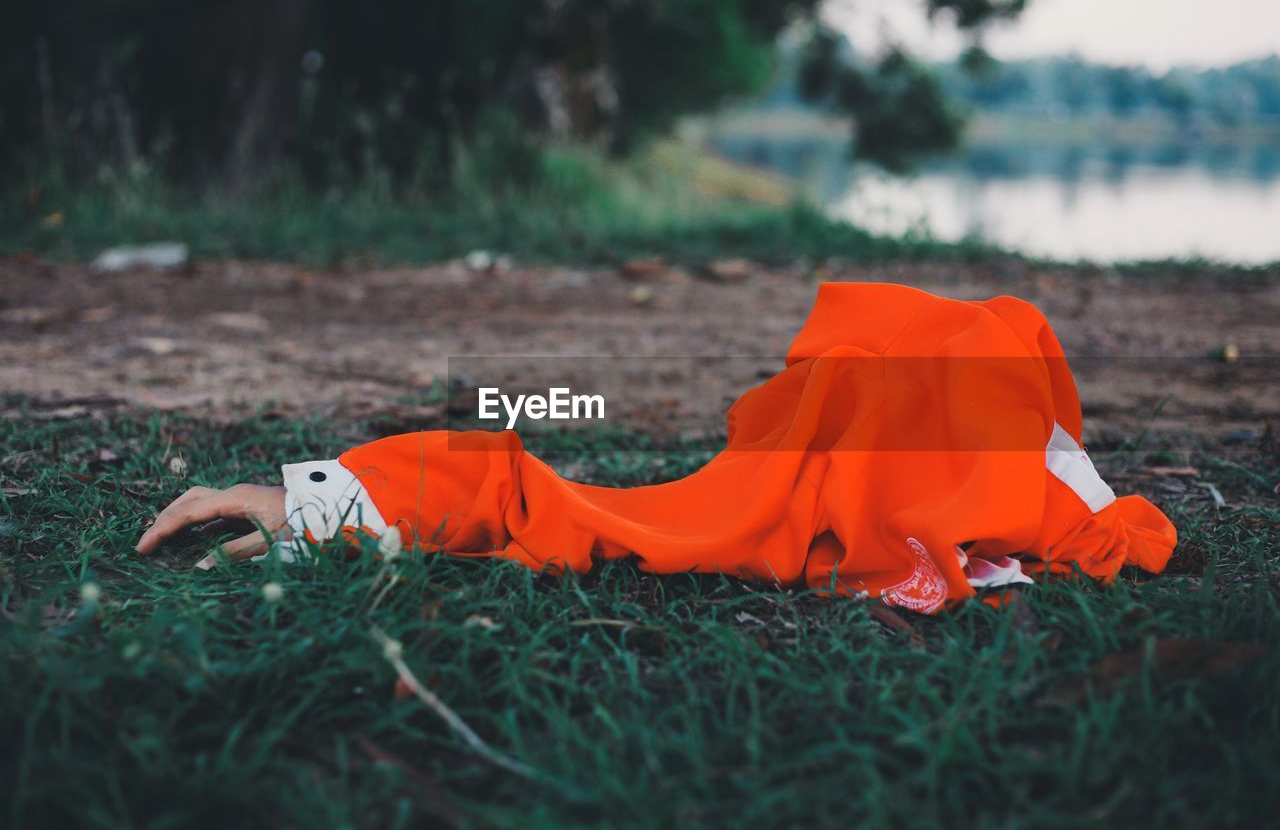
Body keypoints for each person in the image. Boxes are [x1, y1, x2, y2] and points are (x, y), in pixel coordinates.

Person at [134, 283, 1177, 613]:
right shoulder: (967, 420)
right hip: (937, 433)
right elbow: (574, 507)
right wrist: (326, 500)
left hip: (948, 445)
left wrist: (328, 502)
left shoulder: (1007, 468)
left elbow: (568, 509)